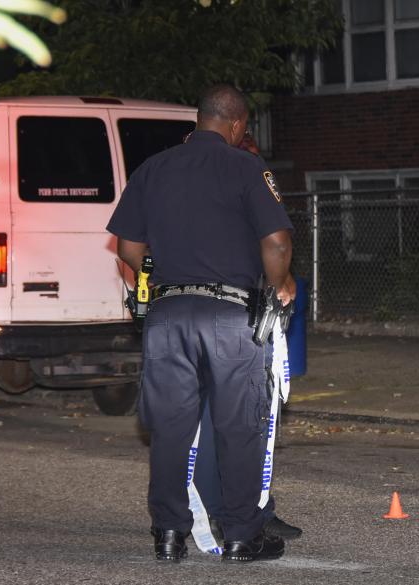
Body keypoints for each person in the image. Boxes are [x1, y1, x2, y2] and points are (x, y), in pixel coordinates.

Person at [107, 84, 295, 562]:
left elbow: (128, 248)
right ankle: (240, 535)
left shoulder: (155, 167)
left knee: (169, 429)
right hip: (229, 317)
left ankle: (168, 535)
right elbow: (275, 242)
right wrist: (281, 283)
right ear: (236, 125)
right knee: (237, 426)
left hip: (168, 317)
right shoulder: (247, 167)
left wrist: (149, 282)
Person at [189, 128, 303, 545]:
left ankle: (244, 509)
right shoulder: (225, 178)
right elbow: (272, 241)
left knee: (239, 419)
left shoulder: (189, 180)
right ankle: (226, 513)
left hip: (221, 310)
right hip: (226, 313)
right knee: (227, 419)